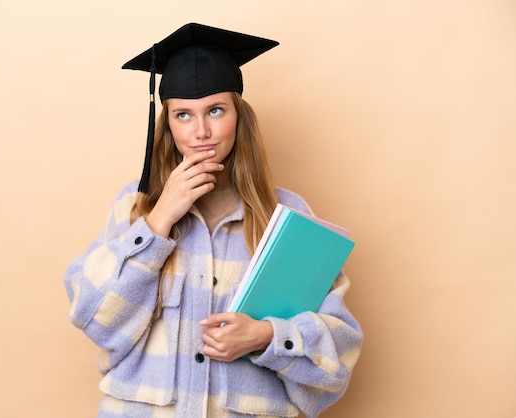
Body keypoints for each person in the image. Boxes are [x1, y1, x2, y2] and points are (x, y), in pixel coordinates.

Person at [64, 23, 363, 418]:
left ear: (240, 117)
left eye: (216, 111)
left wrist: (267, 336)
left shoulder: (287, 219)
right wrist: (160, 220)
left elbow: (338, 359)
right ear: (167, 124)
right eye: (183, 114)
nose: (200, 131)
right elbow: (97, 320)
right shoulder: (134, 209)